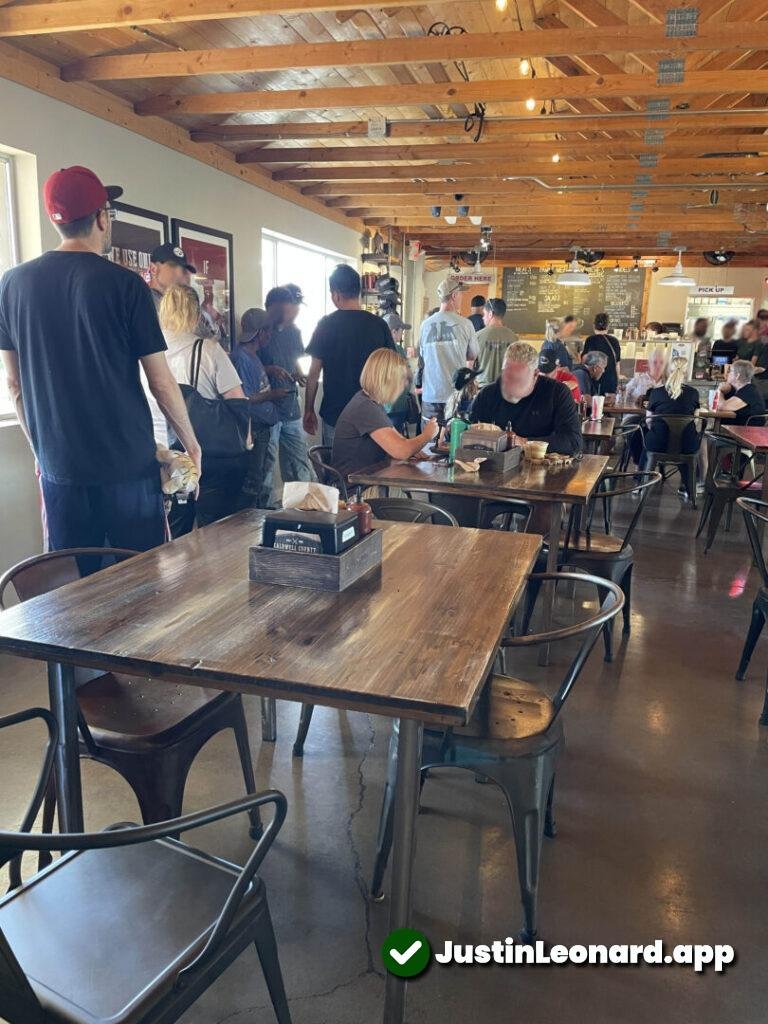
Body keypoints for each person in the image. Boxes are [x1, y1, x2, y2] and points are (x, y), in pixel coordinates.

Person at [0, 165, 200, 563]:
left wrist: (43, 453)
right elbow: (161, 383)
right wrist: (192, 445)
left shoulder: (11, 284)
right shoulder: (125, 285)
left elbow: (15, 385)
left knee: (74, 595)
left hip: (61, 471)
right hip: (127, 466)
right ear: (102, 218)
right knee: (141, 584)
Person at [159, 285, 248, 532]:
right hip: (211, 453)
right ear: (196, 313)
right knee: (218, 532)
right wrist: (246, 439)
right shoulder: (207, 350)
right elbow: (237, 400)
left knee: (175, 532)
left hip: (166, 454)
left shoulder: (149, 354)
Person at [304, 264, 395, 447]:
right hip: (372, 416)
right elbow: (392, 371)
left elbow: (313, 373)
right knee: (371, 470)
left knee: (336, 470)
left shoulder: (325, 325)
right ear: (359, 291)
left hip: (335, 414)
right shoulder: (379, 325)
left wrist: (308, 409)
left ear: (336, 294)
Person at [332, 348, 439, 478]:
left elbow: (400, 442)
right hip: (355, 490)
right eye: (402, 380)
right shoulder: (365, 408)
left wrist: (413, 448)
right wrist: (427, 435)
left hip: (367, 480)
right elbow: (401, 450)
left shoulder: (371, 403)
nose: (404, 385)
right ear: (388, 380)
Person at [470, 341, 582, 455]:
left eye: (518, 379)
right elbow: (467, 432)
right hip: (495, 465)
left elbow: (573, 442)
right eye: (507, 376)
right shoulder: (488, 394)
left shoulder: (557, 393)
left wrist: (524, 443)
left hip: (543, 466)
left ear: (535, 374)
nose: (510, 385)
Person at [231, 308, 291, 509]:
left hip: (263, 427)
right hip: (254, 428)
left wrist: (270, 369)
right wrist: (272, 395)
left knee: (260, 476)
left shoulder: (251, 356)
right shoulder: (241, 358)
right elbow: (245, 398)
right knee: (253, 480)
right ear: (260, 333)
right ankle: (246, 518)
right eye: (268, 331)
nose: (270, 335)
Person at [261, 284, 314, 499]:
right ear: (275, 307)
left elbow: (294, 360)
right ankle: (260, 509)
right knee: (266, 462)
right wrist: (271, 370)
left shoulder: (294, 332)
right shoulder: (261, 332)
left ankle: (304, 506)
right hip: (267, 409)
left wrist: (299, 373)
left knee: (299, 459)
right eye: (292, 306)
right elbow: (247, 364)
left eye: (297, 306)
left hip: (291, 406)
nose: (296, 311)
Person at [417, 277, 479, 425]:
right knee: (454, 440)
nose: (462, 297)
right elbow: (473, 355)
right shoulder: (466, 324)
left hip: (430, 396)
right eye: (460, 294)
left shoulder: (425, 325)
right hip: (455, 396)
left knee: (427, 442)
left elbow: (421, 358)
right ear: (454, 296)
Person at [641, 356, 701, 500]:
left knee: (645, 437)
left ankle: (640, 484)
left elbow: (649, 421)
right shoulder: (694, 393)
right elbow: (696, 421)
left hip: (658, 444)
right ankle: (689, 487)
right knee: (688, 441)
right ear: (686, 373)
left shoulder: (656, 393)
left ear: (668, 372)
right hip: (686, 446)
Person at [382, 311, 415, 434]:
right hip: (396, 404)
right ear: (394, 331)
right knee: (396, 440)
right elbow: (408, 375)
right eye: (401, 330)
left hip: (380, 405)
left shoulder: (377, 348)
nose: (402, 333)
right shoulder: (398, 349)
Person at [475, 298, 518, 384]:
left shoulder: (477, 336)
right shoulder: (514, 337)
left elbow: (470, 363)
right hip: (505, 388)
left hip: (483, 388)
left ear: (490, 314)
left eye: (484, 314)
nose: (483, 318)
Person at [149, 242, 195, 311]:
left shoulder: (180, 304)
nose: (179, 273)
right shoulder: (143, 301)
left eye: (184, 269)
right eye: (173, 265)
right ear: (154, 269)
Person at [717, 359, 766, 424]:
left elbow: (722, 407)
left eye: (730, 371)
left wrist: (720, 391)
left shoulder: (749, 391)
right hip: (734, 428)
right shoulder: (737, 389)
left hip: (746, 431)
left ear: (737, 376)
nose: (727, 374)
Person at [583, 312, 621, 394]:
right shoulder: (614, 341)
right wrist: (617, 383)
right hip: (611, 382)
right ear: (608, 326)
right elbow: (617, 365)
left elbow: (585, 362)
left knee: (595, 404)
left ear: (594, 325)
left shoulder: (590, 340)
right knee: (609, 405)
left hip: (594, 381)